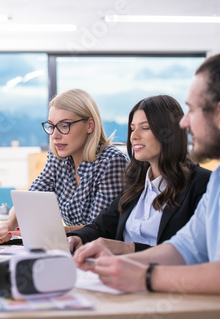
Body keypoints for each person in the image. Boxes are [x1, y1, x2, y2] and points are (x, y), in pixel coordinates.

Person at [74, 51, 220, 294]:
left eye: (193, 110)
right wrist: (120, 263)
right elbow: (185, 248)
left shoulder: (204, 182)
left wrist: (146, 275)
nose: (185, 123)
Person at [68, 95, 210, 254]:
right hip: (118, 272)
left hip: (162, 276)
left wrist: (128, 248)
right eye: (133, 128)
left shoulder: (202, 184)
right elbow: (101, 226)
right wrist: (77, 238)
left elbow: (195, 253)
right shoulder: (136, 184)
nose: (134, 136)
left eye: (145, 128)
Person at [0, 88, 128, 243]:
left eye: (64, 125)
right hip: (70, 246)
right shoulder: (58, 158)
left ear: (90, 125)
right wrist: (9, 223)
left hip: (101, 252)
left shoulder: (112, 161)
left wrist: (53, 230)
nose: (55, 135)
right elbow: (31, 198)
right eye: (51, 126)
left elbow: (99, 228)